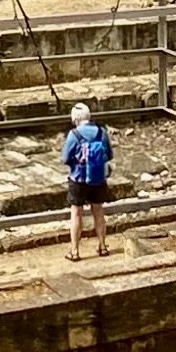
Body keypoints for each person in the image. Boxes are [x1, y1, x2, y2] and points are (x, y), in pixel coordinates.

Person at [61, 102, 112, 261]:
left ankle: (75, 251)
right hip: (98, 178)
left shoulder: (74, 135)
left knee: (76, 213)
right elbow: (109, 155)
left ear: (75, 119)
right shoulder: (101, 132)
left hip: (79, 179)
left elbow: (65, 158)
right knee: (98, 211)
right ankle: (102, 246)